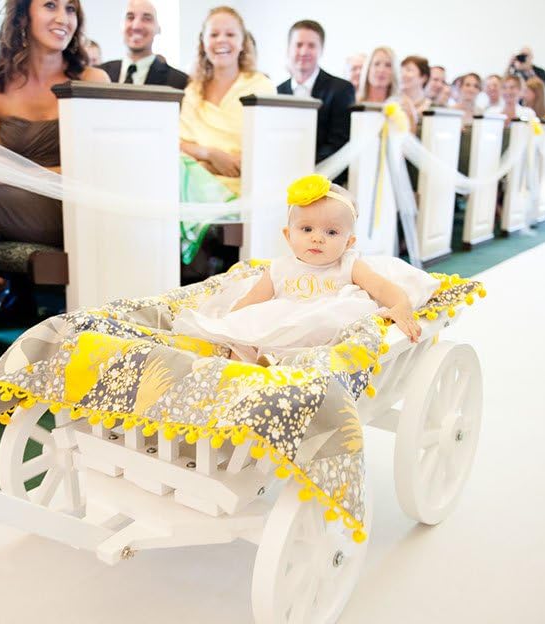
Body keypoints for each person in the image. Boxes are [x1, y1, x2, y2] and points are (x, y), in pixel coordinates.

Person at [0, 0, 109, 380]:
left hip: (64, 208)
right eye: (50, 6)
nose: (63, 18)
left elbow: (98, 169)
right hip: (6, 204)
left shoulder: (92, 80)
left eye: (70, 9)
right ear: (22, 16)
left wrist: (20, 173)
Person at [173, 174, 421, 364]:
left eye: (331, 232)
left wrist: (400, 305)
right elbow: (252, 300)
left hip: (323, 330)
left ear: (348, 242)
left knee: (327, 321)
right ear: (288, 235)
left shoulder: (349, 265)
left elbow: (380, 287)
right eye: (307, 229)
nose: (317, 238)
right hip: (283, 323)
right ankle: (243, 370)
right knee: (253, 326)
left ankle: (281, 363)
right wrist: (229, 323)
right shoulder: (280, 268)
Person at [179, 6, 273, 196]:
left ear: (242, 43)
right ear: (203, 42)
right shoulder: (193, 91)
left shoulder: (262, 86)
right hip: (194, 191)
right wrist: (211, 155)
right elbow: (180, 144)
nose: (221, 40)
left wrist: (210, 166)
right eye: (213, 34)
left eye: (230, 34)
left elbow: (267, 150)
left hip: (247, 195)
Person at [276, 20, 354, 170]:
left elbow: (339, 142)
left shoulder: (341, 89)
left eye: (311, 45)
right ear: (288, 49)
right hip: (280, 173)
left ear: (321, 50)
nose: (304, 52)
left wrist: (303, 167)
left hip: (325, 177)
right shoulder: (276, 91)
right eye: (298, 45)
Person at [98, 0, 187, 89]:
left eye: (147, 19)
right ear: (121, 25)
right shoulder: (97, 75)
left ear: (159, 28)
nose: (136, 26)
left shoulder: (180, 82)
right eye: (130, 17)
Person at [399, 55, 430, 134]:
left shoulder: (432, 108)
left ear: (423, 77)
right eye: (401, 71)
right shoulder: (393, 103)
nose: (403, 74)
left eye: (409, 70)